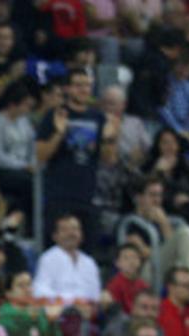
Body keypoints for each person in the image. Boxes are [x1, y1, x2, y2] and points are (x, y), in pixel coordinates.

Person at [35, 67, 119, 246]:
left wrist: (109, 138)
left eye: (87, 85)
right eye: (78, 85)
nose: (84, 90)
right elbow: (40, 155)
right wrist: (59, 133)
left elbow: (109, 159)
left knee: (87, 253)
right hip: (59, 196)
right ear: (67, 88)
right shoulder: (54, 115)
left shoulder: (98, 118)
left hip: (88, 196)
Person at [0, 80, 37, 217]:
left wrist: (32, 163)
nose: (27, 109)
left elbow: (32, 145)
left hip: (23, 168)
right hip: (1, 170)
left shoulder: (24, 121)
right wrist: (22, 165)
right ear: (13, 105)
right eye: (25, 105)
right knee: (29, 183)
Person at [33, 213, 102, 305]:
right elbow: (40, 291)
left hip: (87, 309)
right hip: (60, 309)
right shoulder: (48, 259)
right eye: (65, 230)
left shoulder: (89, 262)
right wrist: (71, 301)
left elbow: (96, 294)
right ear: (55, 236)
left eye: (75, 229)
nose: (71, 234)